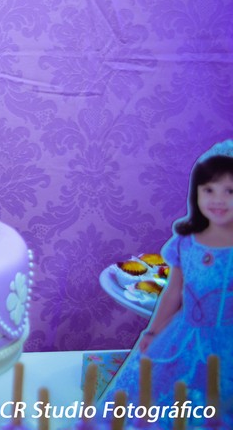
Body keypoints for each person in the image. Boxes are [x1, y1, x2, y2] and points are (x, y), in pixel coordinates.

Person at [100, 140, 232, 420]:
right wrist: (152, 332)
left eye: (230, 191)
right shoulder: (186, 242)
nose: (218, 200)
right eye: (209, 190)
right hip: (180, 334)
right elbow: (173, 292)